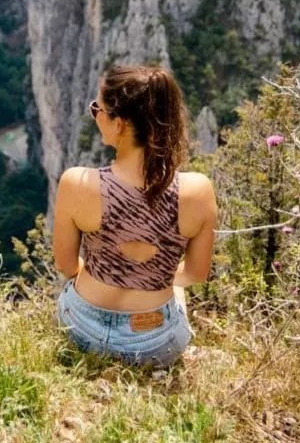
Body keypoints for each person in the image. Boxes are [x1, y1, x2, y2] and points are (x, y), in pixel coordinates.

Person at [53, 64, 217, 367]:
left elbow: (66, 266)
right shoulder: (198, 190)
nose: (95, 116)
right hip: (155, 343)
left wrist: (106, 275)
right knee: (175, 291)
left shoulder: (77, 182)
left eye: (97, 109)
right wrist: (152, 276)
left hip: (81, 331)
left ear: (120, 124)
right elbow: (196, 273)